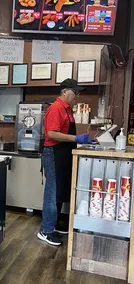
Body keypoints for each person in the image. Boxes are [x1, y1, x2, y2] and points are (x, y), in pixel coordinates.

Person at [37, 79, 93, 246]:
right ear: (64, 92)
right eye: (75, 92)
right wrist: (76, 138)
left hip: (63, 153)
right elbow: (52, 134)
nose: (77, 95)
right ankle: (46, 230)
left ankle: (54, 223)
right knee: (52, 193)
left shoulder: (67, 109)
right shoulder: (56, 108)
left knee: (60, 190)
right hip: (54, 153)